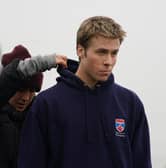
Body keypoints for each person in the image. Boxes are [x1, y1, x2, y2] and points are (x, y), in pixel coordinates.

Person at [18, 16, 152, 168]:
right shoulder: (46, 104)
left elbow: (142, 162)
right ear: (80, 50)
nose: (108, 61)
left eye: (114, 53)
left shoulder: (130, 103)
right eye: (101, 52)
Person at [0, 45, 67, 168]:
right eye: (20, 89)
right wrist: (42, 63)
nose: (25, 97)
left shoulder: (40, 117)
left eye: (32, 90)